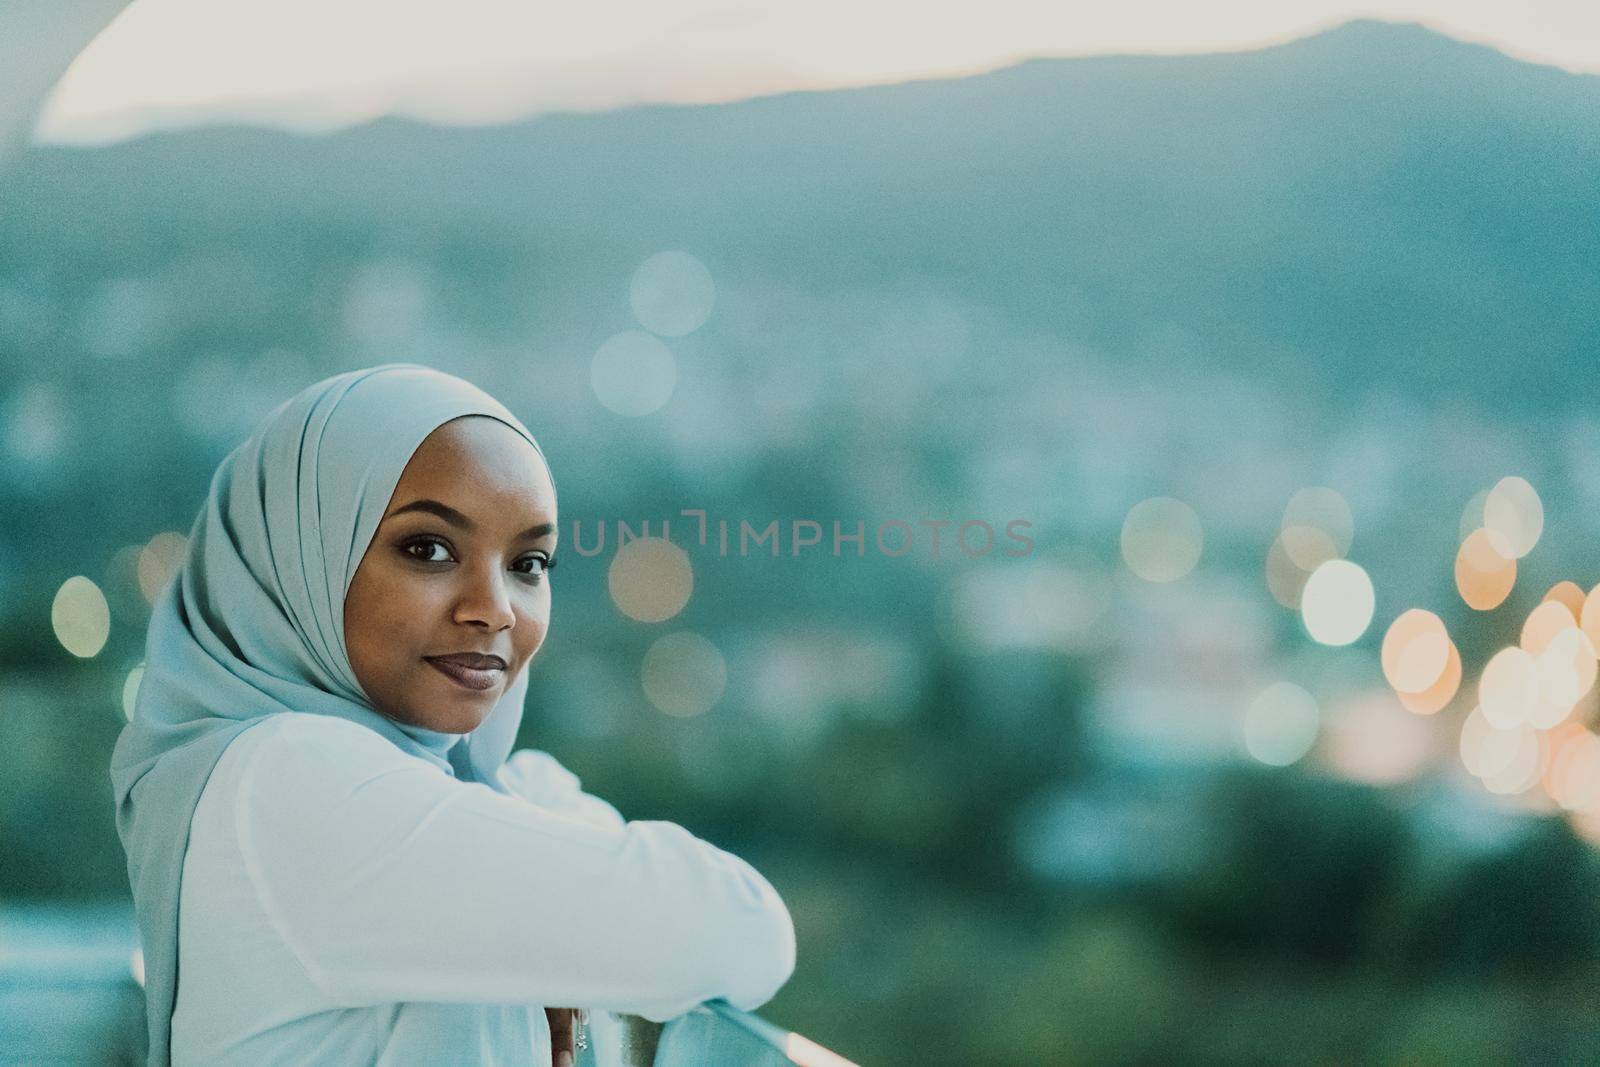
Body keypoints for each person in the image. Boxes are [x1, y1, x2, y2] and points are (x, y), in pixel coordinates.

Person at [109, 364, 796, 1066]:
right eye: (428, 549)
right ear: (298, 560)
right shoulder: (295, 782)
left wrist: (561, 936)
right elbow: (746, 930)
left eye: (529, 562)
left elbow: (539, 798)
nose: (495, 607)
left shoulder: (437, 786)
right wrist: (572, 937)